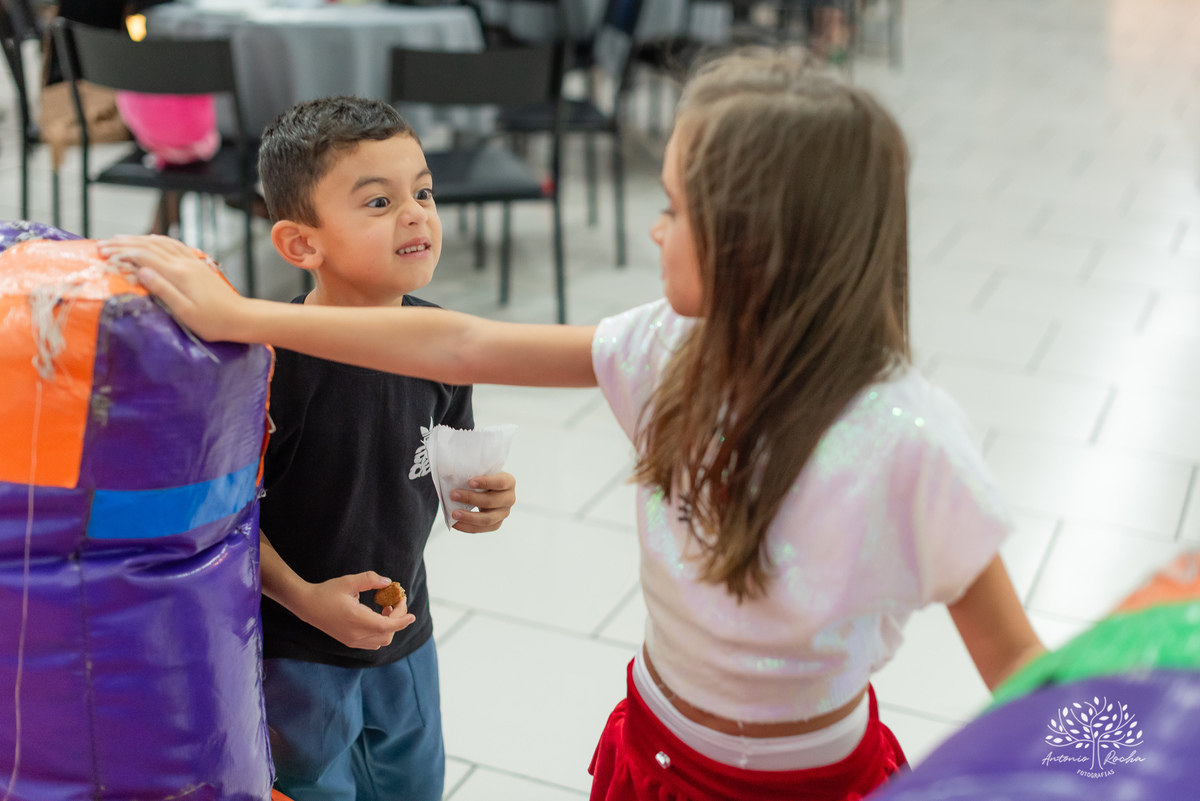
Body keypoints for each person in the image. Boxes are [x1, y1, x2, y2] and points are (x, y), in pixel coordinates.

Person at [102, 51, 1044, 801]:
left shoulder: (914, 443)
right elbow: (458, 344)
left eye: (676, 210)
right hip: (656, 757)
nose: (654, 230)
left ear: (757, 240)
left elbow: (1024, 668)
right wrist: (244, 319)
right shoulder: (665, 349)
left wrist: (1138, 744)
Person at [163, 96, 518, 801]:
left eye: (423, 191)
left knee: (413, 782)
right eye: (379, 201)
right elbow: (223, 519)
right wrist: (304, 597)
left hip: (405, 632)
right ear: (301, 245)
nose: (417, 213)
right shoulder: (270, 367)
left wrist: (484, 496)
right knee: (311, 785)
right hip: (296, 649)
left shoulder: (442, 344)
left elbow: (444, 466)